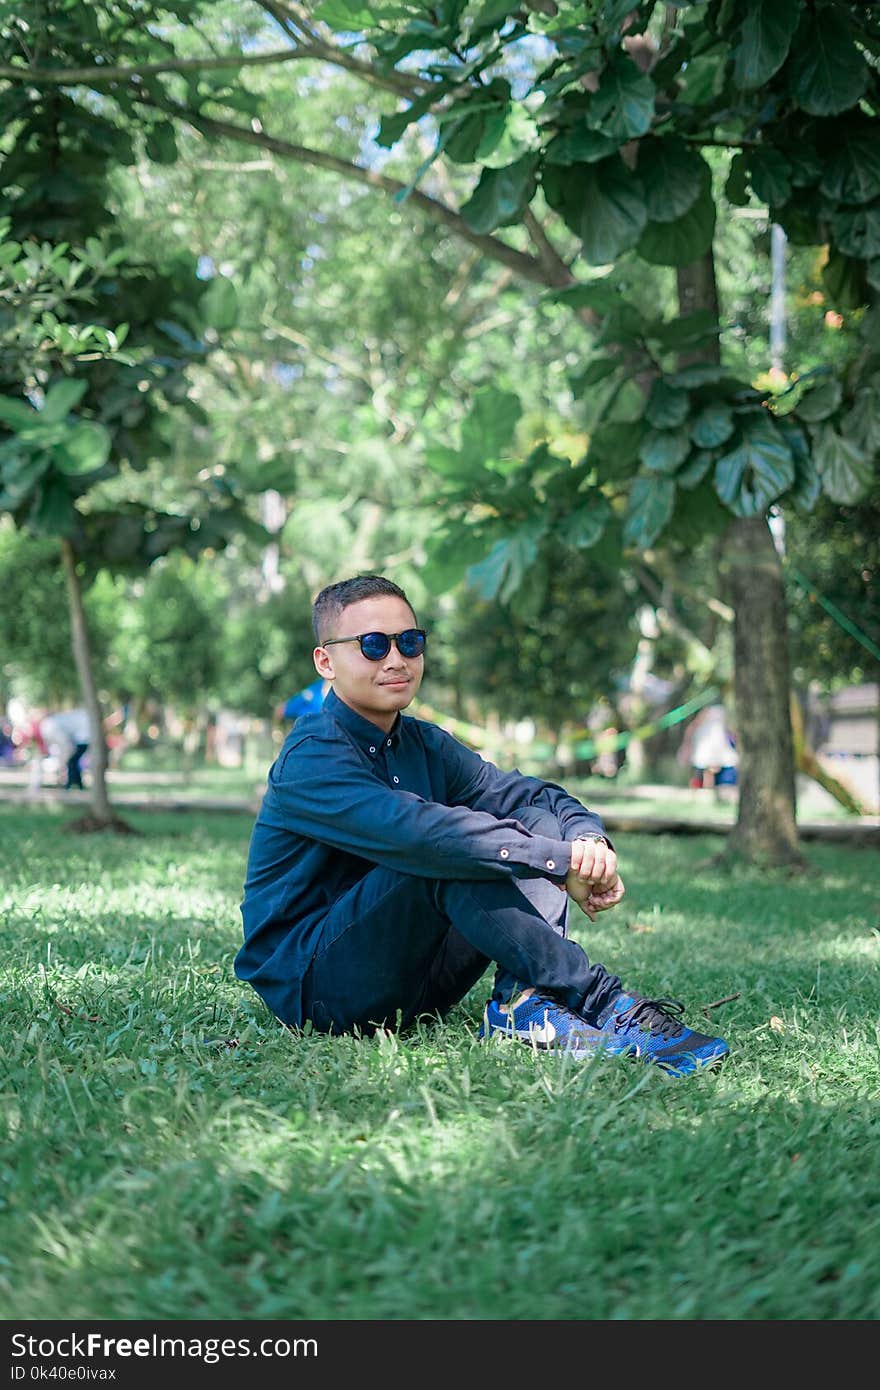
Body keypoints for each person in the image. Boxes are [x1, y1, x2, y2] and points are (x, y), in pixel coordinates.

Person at [235, 575, 729, 1078]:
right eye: (372, 645)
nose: (395, 660)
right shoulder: (311, 756)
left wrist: (585, 841)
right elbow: (421, 836)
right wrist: (556, 862)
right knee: (444, 850)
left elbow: (533, 796)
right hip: (320, 992)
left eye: (409, 642)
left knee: (529, 823)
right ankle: (603, 999)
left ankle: (521, 1004)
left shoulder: (424, 743)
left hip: (418, 984)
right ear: (326, 662)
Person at [40, 706, 91, 790]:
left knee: (71, 762)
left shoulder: (52, 724)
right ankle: (76, 783)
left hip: (81, 741)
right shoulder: (56, 722)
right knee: (72, 762)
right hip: (81, 740)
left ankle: (72, 783)